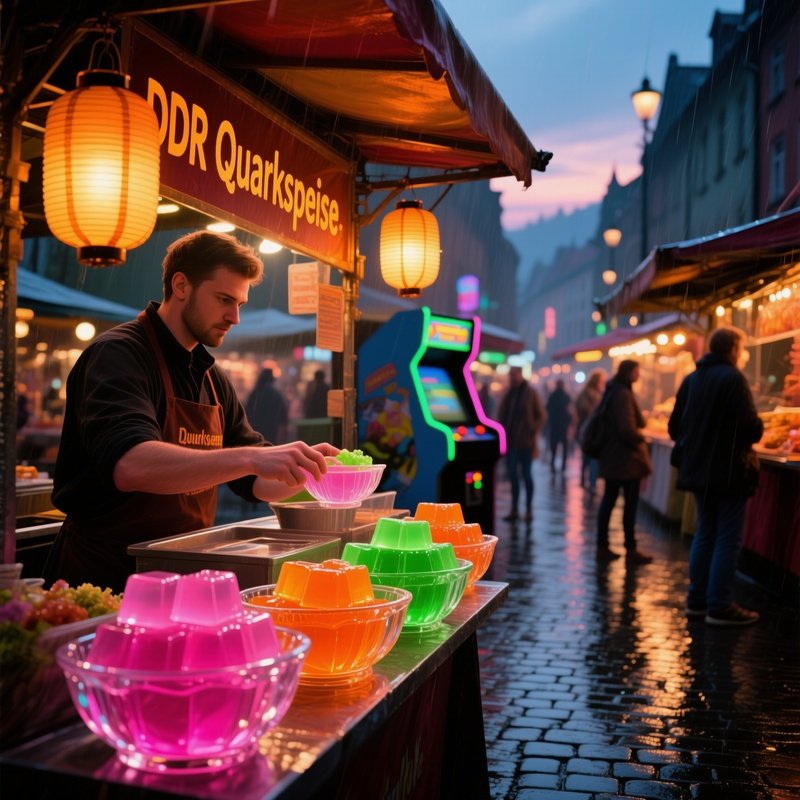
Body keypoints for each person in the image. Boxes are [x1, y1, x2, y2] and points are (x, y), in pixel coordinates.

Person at [49, 231, 338, 592]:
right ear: (181, 285)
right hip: (104, 576)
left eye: (240, 304)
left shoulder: (211, 376)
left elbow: (254, 483)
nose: (234, 316)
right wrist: (252, 458)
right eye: (223, 299)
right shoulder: (119, 355)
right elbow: (130, 464)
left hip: (181, 567)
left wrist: (313, 473)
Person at [668, 327, 763, 626]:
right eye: (741, 348)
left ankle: (697, 601)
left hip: (698, 471)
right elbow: (751, 429)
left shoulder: (692, 379)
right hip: (729, 471)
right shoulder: (733, 379)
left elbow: (674, 428)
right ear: (733, 349)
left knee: (705, 533)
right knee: (727, 538)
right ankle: (719, 606)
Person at [595, 360, 653, 564]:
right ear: (629, 372)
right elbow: (626, 429)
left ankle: (604, 545)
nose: (639, 374)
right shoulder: (622, 394)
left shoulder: (615, 391)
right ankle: (630, 548)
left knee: (609, 502)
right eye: (637, 370)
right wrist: (641, 437)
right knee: (627, 505)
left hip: (615, 458)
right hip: (625, 460)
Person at [497, 366, 546, 523]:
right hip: (511, 443)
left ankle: (528, 509)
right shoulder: (508, 394)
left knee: (526, 476)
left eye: (514, 375)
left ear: (520, 376)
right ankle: (514, 509)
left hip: (526, 443)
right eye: (510, 375)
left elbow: (541, 415)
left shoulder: (530, 393)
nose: (512, 378)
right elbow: (502, 415)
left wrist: (532, 429)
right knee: (513, 476)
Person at [575, 370, 606, 493]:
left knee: (587, 456)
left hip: (587, 430)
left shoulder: (587, 393)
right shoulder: (592, 395)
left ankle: (585, 480)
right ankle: (591, 483)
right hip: (591, 430)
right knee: (592, 457)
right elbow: (583, 409)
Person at [245, 368, 289, 444]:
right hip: (272, 428)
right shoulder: (275, 393)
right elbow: (283, 414)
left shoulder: (256, 392)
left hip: (256, 429)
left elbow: (247, 410)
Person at [545, 379, 572, 473]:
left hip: (554, 425)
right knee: (564, 447)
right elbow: (570, 411)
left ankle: (553, 464)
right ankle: (563, 466)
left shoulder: (552, 396)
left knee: (554, 446)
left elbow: (547, 409)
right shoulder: (566, 396)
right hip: (563, 425)